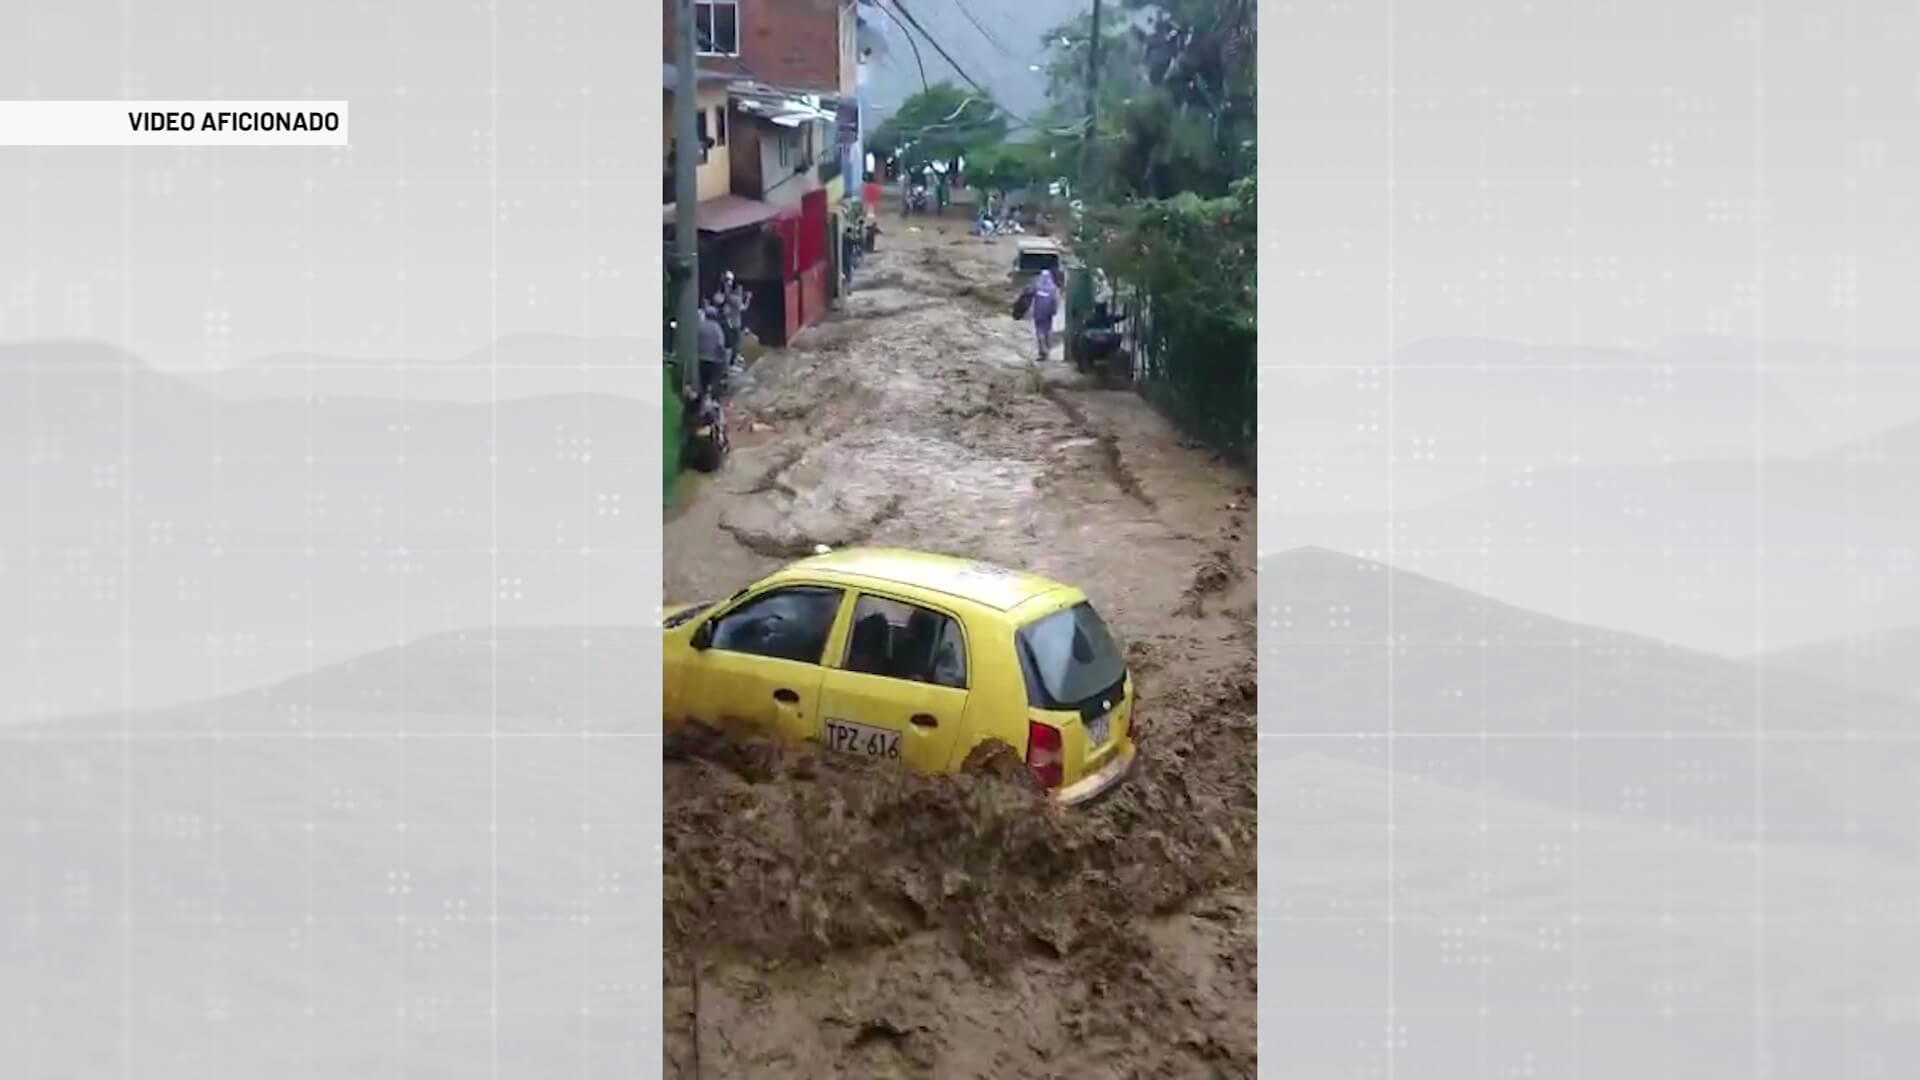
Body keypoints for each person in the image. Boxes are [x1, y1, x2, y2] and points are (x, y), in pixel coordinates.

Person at [696, 302, 728, 396]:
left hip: (700, 357)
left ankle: (700, 398)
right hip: (713, 359)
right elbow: (720, 345)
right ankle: (709, 398)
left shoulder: (700, 326)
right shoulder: (717, 328)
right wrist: (723, 360)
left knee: (702, 381)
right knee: (711, 381)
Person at [1030, 269, 1060, 361]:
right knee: (1047, 331)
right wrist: (1054, 311)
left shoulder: (1037, 287)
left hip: (1038, 313)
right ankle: (1047, 350)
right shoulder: (1053, 288)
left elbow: (1031, 299)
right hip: (1048, 314)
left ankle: (1043, 351)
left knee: (1040, 332)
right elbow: (1055, 301)